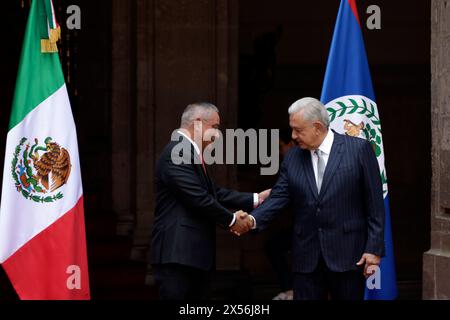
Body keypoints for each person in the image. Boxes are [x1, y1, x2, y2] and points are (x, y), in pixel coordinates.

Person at [236, 97, 385, 300]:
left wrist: (373, 249)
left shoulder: (358, 150)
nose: (293, 136)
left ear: (317, 127)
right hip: (307, 258)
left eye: (298, 130)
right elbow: (279, 196)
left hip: (348, 255)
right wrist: (252, 220)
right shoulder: (293, 157)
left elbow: (375, 204)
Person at [150, 102, 270, 300]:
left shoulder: (187, 152)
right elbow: (198, 197)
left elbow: (213, 193)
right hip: (178, 254)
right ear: (197, 123)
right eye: (214, 127)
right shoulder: (177, 152)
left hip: (190, 255)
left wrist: (256, 198)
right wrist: (232, 220)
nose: (218, 134)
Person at [264, 128, 295, 300]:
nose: (279, 152)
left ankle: (291, 288)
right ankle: (289, 287)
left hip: (312, 229)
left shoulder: (295, 163)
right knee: (273, 246)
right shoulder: (287, 165)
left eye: (280, 147)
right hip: (297, 226)